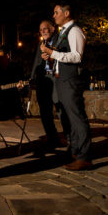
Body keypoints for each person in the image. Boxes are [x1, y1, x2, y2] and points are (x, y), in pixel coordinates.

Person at [40, 3, 93, 171]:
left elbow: (77, 56)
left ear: (67, 13)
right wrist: (50, 57)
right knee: (70, 118)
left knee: (77, 118)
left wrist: (52, 53)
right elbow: (64, 55)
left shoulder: (75, 30)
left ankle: (85, 157)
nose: (54, 16)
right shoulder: (63, 32)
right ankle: (76, 152)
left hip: (70, 80)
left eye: (56, 12)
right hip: (62, 79)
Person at [30, 19, 61, 152]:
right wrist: (32, 79)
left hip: (56, 78)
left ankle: (72, 140)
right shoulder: (41, 44)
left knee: (60, 109)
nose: (43, 31)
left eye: (45, 28)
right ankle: (52, 138)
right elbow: (36, 62)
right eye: (41, 29)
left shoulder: (59, 41)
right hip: (43, 81)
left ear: (53, 29)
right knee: (45, 112)